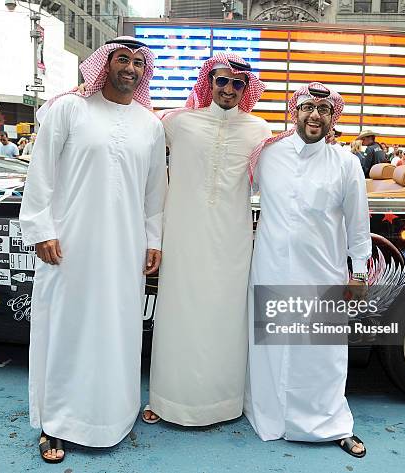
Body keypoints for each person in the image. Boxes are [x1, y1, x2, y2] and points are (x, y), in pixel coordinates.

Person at [19, 36, 167, 463]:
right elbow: (41, 174)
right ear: (105, 64)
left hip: (124, 249)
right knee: (67, 331)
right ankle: (57, 424)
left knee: (117, 331)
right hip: (69, 246)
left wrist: (152, 239)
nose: (131, 68)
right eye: (123, 59)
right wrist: (41, 229)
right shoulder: (68, 109)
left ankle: (115, 415)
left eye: (139, 62)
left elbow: (154, 192)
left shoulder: (150, 125)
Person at [143, 53, 273, 426]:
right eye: (222, 81)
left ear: (247, 89)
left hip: (232, 241)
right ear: (208, 83)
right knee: (177, 315)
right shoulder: (178, 123)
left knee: (224, 317)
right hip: (183, 236)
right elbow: (134, 126)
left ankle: (224, 404)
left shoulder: (259, 129)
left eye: (238, 84)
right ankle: (168, 401)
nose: (229, 89)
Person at [244, 82, 371, 458]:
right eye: (307, 107)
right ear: (294, 112)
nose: (315, 115)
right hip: (270, 269)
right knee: (271, 350)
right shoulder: (267, 156)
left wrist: (359, 272)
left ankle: (331, 424)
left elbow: (357, 224)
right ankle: (269, 418)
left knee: (321, 355)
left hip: (322, 273)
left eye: (324, 109)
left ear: (333, 117)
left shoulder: (346, 164)